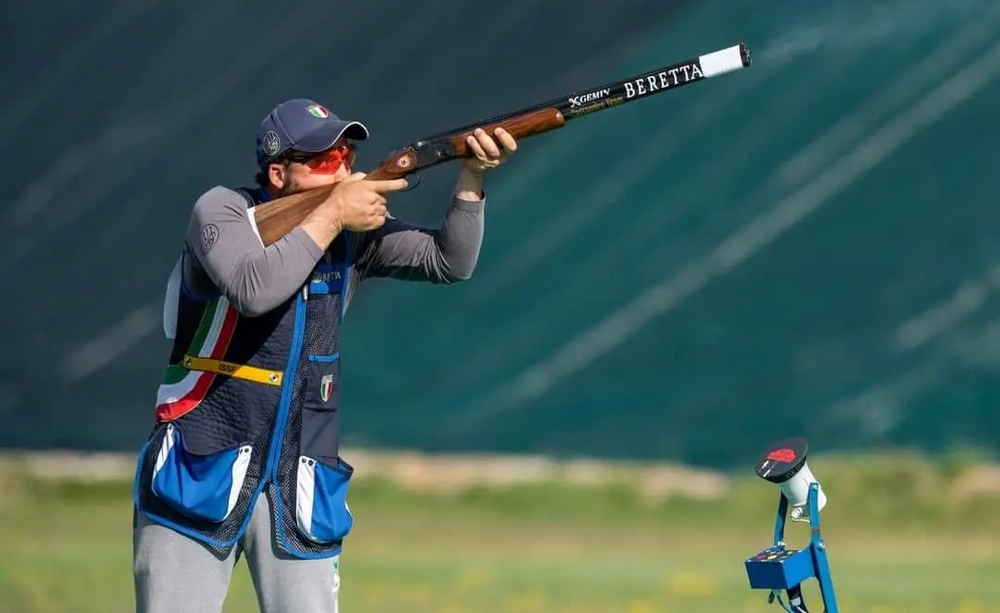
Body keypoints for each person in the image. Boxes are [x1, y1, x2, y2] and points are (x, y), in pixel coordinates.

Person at [132, 97, 518, 613]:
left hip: (301, 481)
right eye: (321, 160)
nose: (342, 168)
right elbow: (254, 288)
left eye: (346, 155)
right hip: (199, 469)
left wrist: (472, 177)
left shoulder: (351, 234)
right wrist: (335, 212)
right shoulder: (222, 210)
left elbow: (450, 261)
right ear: (277, 172)